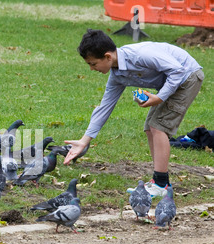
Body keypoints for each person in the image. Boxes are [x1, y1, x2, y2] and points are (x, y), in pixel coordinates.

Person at [63, 29, 204, 197]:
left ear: (108, 57)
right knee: (149, 128)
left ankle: (161, 185)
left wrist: (159, 98)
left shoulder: (139, 55)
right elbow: (105, 106)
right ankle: (158, 180)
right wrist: (84, 141)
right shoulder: (117, 75)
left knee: (158, 127)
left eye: (93, 64)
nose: (92, 69)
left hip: (187, 77)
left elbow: (178, 70)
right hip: (172, 81)